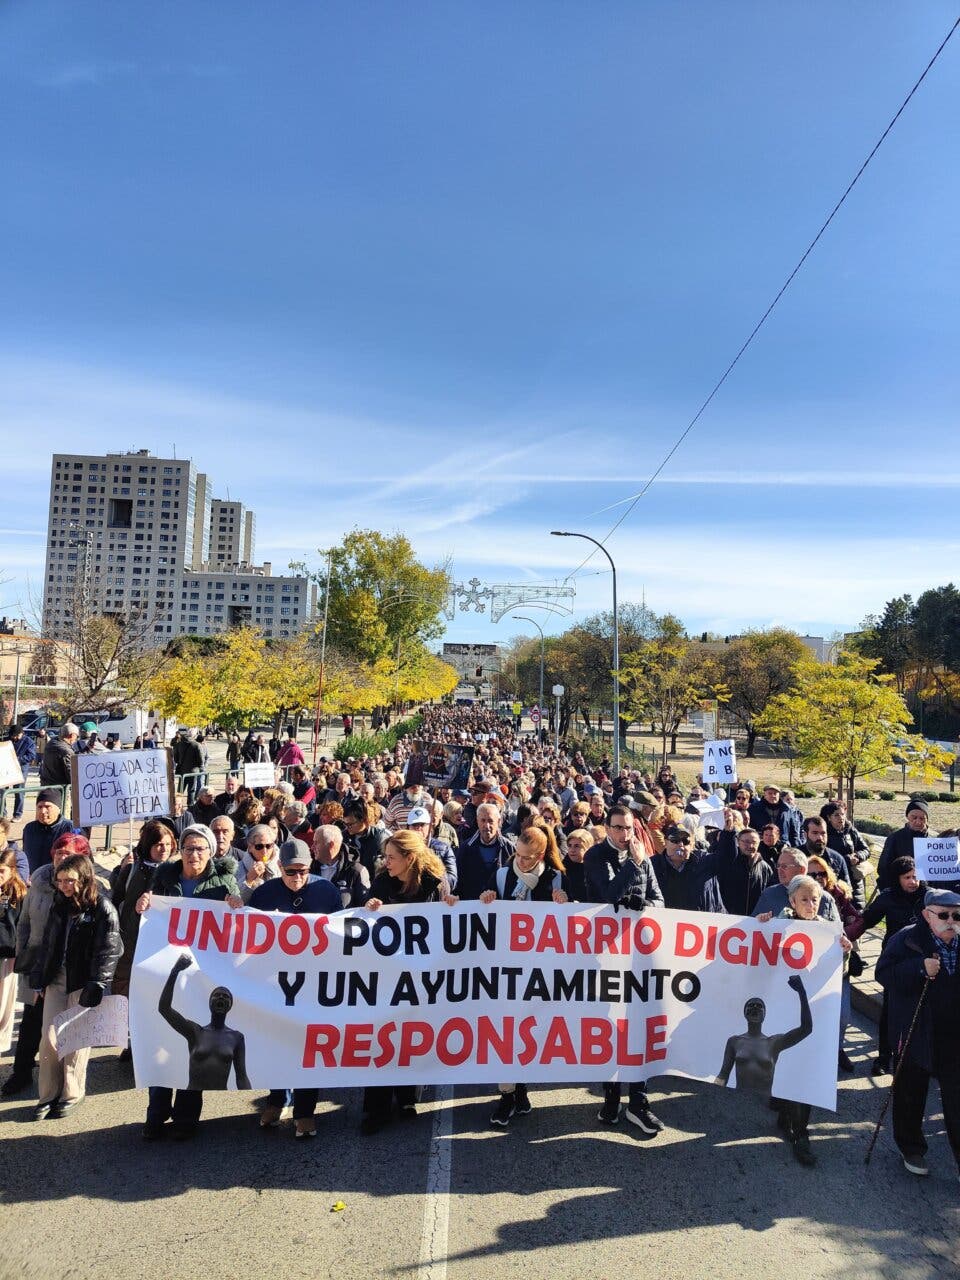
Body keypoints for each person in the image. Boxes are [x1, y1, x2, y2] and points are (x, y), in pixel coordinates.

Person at [135, 824, 242, 1139]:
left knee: (193, 1048)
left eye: (200, 849)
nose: (194, 854)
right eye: (188, 848)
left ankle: (185, 1115)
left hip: (201, 979)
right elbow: (144, 920)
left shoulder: (223, 882)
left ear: (210, 852)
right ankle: (156, 1113)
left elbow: (236, 929)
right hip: (167, 974)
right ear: (180, 850)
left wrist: (236, 905)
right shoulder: (164, 880)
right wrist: (143, 905)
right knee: (161, 1043)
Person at [247, 838, 342, 1139]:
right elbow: (243, 933)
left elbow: (343, 931)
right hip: (275, 984)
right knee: (277, 1042)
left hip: (314, 984)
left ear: (310, 867)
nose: (297, 878)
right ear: (279, 867)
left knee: (307, 1045)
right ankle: (277, 1098)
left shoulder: (326, 892)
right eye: (290, 872)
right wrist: (236, 903)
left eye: (302, 871)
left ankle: (305, 1111)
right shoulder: (264, 894)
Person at [360, 830, 452, 1134]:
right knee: (383, 1037)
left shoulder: (434, 884)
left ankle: (407, 1097)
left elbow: (447, 927)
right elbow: (366, 922)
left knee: (411, 1035)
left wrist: (453, 906)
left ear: (409, 859)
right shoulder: (382, 882)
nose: (386, 862)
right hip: (387, 974)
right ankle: (377, 1108)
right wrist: (369, 907)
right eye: (385, 856)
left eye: (391, 857)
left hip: (422, 975)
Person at [474, 828, 567, 1126]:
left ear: (540, 855)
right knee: (505, 1031)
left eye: (528, 858)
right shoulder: (502, 876)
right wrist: (485, 898)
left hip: (538, 971)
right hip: (504, 970)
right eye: (518, 855)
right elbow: (482, 913)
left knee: (529, 1032)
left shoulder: (554, 879)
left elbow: (569, 926)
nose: (522, 862)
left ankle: (521, 1088)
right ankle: (506, 1095)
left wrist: (565, 904)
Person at [584, 804, 665, 1134]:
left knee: (638, 1026)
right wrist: (633, 865)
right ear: (607, 827)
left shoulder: (643, 858)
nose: (624, 834)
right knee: (610, 1027)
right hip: (605, 957)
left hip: (638, 958)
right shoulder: (596, 857)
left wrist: (644, 907)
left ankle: (639, 1101)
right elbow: (608, 894)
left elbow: (659, 898)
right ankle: (612, 1096)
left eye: (628, 828)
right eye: (617, 828)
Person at [876, 888, 960, 1179]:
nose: (951, 921)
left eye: (957, 915)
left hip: (954, 1036)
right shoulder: (907, 938)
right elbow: (883, 974)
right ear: (927, 914)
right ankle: (911, 1147)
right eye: (944, 915)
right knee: (911, 1092)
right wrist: (918, 968)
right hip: (916, 1029)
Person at [31, 853, 121, 1120]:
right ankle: (47, 1095)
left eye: (69, 880)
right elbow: (48, 945)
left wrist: (99, 982)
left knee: (76, 1041)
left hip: (84, 982)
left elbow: (109, 947)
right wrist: (39, 979)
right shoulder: (58, 905)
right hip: (57, 979)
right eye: (60, 880)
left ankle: (72, 1094)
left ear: (83, 878)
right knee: (49, 1039)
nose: (64, 886)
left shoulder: (102, 908)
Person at [3, 833, 89, 1096]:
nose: (61, 858)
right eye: (58, 852)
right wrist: (24, 952)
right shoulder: (39, 879)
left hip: (68, 969)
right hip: (37, 964)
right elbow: (26, 920)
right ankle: (21, 1073)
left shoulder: (89, 889)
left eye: (68, 853)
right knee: (31, 1022)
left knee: (65, 1028)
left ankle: (66, 1084)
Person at [716, 975, 815, 1165]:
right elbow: (723, 1074)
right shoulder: (735, 1041)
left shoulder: (773, 1042)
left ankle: (799, 1132)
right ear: (744, 1014)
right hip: (744, 1098)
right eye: (750, 1006)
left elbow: (806, 1028)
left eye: (758, 1006)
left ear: (765, 1014)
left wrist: (802, 993)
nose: (754, 1008)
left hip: (768, 1098)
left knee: (801, 1080)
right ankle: (787, 1117)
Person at [846, 855, 926, 1076]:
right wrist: (843, 937)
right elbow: (863, 923)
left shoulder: (928, 897)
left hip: (924, 962)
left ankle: (917, 1058)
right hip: (896, 963)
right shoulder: (887, 898)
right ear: (897, 878)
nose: (913, 882)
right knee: (891, 1011)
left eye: (916, 877)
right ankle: (883, 1058)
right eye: (907, 877)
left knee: (922, 1012)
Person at [650, 826, 725, 913]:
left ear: (692, 845)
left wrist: (728, 834)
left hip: (705, 923)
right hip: (667, 922)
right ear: (666, 842)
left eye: (685, 841)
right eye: (675, 840)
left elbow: (726, 860)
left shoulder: (705, 860)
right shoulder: (652, 865)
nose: (681, 844)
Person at [752, 848, 840, 923]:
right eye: (778, 866)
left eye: (785, 866)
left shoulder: (825, 898)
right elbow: (751, 927)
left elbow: (837, 934)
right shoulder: (769, 894)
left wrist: (843, 940)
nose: (779, 870)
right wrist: (758, 921)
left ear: (802, 870)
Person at [455, 803, 515, 901]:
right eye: (483, 820)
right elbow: (458, 879)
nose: (486, 825)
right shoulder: (466, 848)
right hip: (472, 909)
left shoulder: (509, 848)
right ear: (477, 821)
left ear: (499, 822)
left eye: (490, 821)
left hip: (500, 909)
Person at [0, 849, 27, 1055]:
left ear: (12, 871)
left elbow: (22, 926)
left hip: (7, 955)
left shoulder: (19, 894)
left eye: (1, 871)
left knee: (4, 1004)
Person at [715, 827, 774, 916]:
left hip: (754, 922)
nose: (750, 846)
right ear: (738, 842)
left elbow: (769, 895)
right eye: (746, 842)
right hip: (727, 918)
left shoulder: (765, 867)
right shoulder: (730, 862)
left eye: (754, 842)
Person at [877, 799, 934, 891]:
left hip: (927, 891)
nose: (918, 822)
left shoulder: (934, 841)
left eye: (922, 818)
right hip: (900, 889)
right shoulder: (895, 838)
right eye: (914, 817)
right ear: (907, 816)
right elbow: (883, 868)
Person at [310, 825, 370, 908]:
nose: (312, 847)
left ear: (330, 845)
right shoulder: (307, 868)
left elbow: (363, 908)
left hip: (341, 920)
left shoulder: (356, 871)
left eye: (316, 843)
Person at [21, 789, 73, 876]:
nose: (43, 811)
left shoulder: (69, 828)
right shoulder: (29, 828)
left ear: (58, 808)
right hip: (33, 881)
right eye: (39, 807)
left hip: (61, 880)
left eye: (47, 807)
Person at [3, 726, 36, 820]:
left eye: (15, 736)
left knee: (19, 792)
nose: (14, 738)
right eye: (12, 736)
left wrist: (18, 759)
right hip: (6, 769)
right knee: (2, 792)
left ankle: (17, 815)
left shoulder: (29, 742)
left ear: (21, 734)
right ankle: (3, 813)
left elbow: (31, 756)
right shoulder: (7, 739)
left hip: (20, 769)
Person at [39, 722, 79, 790]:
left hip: (46, 785)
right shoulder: (66, 751)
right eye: (77, 736)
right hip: (59, 789)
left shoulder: (51, 743)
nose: (76, 739)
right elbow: (70, 773)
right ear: (72, 735)